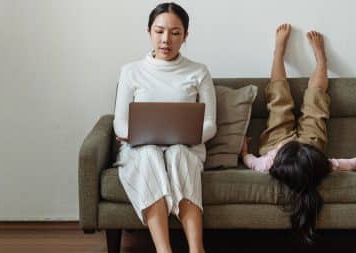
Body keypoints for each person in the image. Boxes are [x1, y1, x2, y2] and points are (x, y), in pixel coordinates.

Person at [113, 2, 216, 253]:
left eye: (175, 33)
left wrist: (184, 137)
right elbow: (119, 122)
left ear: (185, 36)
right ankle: (163, 250)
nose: (165, 40)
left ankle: (196, 248)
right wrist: (132, 135)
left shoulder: (199, 72)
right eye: (159, 31)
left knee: (179, 152)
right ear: (149, 31)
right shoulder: (131, 71)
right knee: (149, 154)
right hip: (141, 148)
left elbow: (210, 123)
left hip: (186, 147)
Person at [240, 24, 354, 243]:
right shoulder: (319, 163)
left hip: (276, 143)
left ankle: (278, 53)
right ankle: (322, 61)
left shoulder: (271, 162)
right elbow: (347, 163)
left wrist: (244, 151)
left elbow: (252, 162)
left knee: (278, 102)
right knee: (316, 103)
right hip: (311, 146)